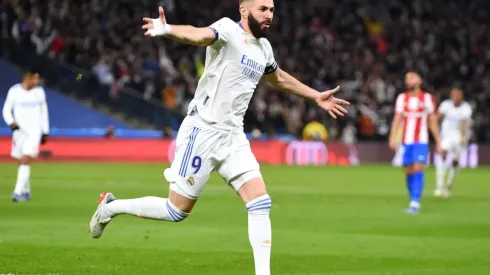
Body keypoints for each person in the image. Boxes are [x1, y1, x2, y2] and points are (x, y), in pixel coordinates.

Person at [89, 1, 350, 274]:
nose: (269, 15)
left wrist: (315, 95)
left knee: (260, 202)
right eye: (263, 9)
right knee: (176, 211)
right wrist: (167, 29)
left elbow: (279, 79)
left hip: (233, 136)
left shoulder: (264, 48)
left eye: (272, 9)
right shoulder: (227, 30)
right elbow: (199, 34)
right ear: (244, 9)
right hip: (203, 131)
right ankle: (111, 207)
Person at [389, 72, 441, 214]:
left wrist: (438, 141)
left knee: (418, 167)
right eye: (406, 78)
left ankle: (415, 203)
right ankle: (412, 199)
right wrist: (393, 137)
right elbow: (397, 119)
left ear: (420, 80)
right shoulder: (402, 98)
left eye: (411, 77)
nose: (408, 80)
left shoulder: (427, 98)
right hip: (406, 141)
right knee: (409, 170)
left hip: (421, 141)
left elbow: (432, 122)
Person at [2, 66, 50, 202]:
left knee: (25, 159)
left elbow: (44, 112)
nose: (37, 80)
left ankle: (17, 192)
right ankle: (26, 191)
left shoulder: (39, 92)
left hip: (34, 132)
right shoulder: (14, 91)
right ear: (28, 78)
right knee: (21, 161)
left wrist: (45, 131)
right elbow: (6, 109)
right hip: (19, 132)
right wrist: (11, 122)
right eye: (35, 77)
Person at [434, 88, 472, 198]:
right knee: (442, 154)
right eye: (453, 95)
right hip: (446, 136)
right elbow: (438, 117)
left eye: (457, 95)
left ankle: (449, 183)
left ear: (461, 96)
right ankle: (439, 186)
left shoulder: (466, 108)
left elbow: (464, 124)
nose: (455, 97)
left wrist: (463, 137)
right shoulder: (446, 105)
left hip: (459, 137)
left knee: (455, 161)